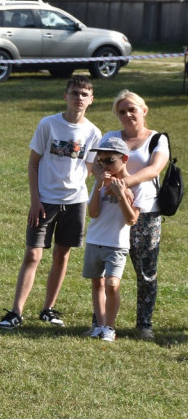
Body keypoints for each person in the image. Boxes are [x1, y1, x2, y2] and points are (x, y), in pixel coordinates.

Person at [0, 75, 101, 329]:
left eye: (84, 94)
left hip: (75, 202)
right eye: (74, 93)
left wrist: (73, 185)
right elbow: (33, 163)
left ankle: (48, 308)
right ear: (65, 97)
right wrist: (36, 200)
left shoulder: (93, 132)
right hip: (44, 201)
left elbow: (89, 169)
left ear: (91, 100)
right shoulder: (48, 124)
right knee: (33, 254)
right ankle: (16, 312)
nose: (79, 98)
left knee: (61, 255)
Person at [100, 91, 168, 340]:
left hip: (147, 214)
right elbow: (97, 165)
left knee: (146, 271)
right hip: (112, 213)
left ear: (144, 110)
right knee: (107, 270)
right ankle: (102, 322)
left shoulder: (157, 139)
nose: (127, 114)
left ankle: (144, 324)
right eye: (122, 111)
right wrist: (112, 186)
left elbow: (154, 169)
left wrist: (125, 183)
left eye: (132, 109)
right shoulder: (109, 137)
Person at [82, 136, 142, 342]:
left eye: (109, 161)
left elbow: (131, 220)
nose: (104, 165)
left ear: (124, 159)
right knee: (97, 283)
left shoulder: (137, 186)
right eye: (101, 161)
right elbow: (93, 213)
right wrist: (99, 184)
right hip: (94, 239)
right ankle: (99, 325)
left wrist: (121, 195)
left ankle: (110, 327)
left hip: (116, 244)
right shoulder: (100, 182)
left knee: (112, 284)